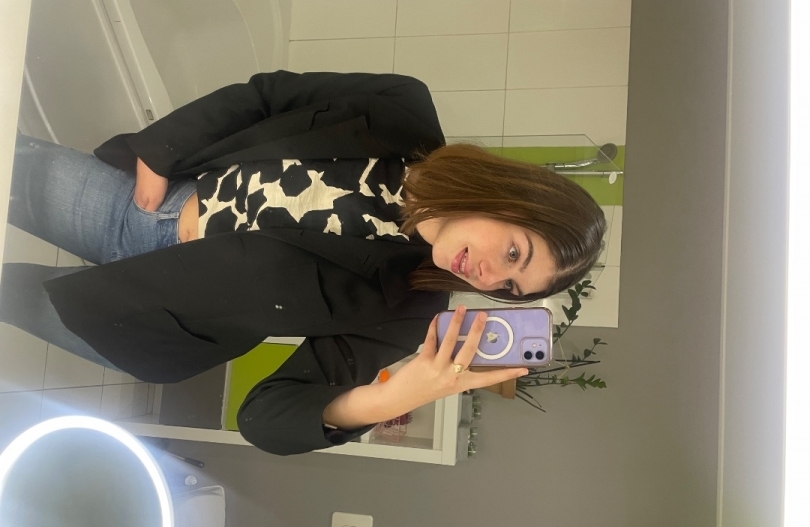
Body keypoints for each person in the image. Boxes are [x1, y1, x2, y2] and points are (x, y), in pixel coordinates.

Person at [0, 71, 606, 455]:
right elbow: (264, 97)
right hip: (144, 201)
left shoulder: (407, 310)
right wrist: (161, 152)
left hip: (140, 320)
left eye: (511, 287)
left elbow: (264, 417)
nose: (491, 276)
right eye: (514, 252)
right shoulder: (401, 109)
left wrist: (391, 398)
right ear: (509, 196)